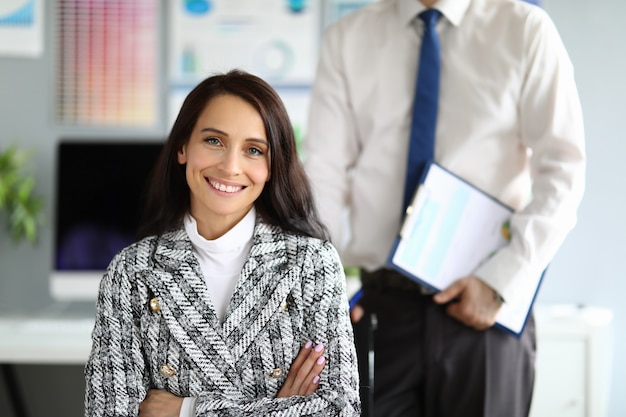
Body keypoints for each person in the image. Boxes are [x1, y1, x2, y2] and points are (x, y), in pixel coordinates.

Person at [303, 0, 585, 416]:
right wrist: (325, 294)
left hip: (485, 310)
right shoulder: (348, 38)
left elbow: (564, 169)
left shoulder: (524, 29)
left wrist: (502, 281)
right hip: (380, 310)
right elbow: (322, 174)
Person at [84, 70, 361, 417]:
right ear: (183, 147)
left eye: (254, 150)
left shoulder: (312, 263)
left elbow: (340, 409)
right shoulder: (132, 271)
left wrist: (185, 410)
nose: (231, 166)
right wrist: (278, 410)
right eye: (214, 141)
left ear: (273, 166)